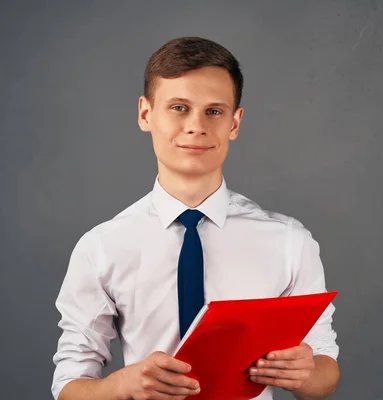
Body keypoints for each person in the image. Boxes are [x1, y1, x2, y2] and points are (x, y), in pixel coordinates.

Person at [51, 37, 340, 400]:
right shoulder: (102, 248)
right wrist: (121, 384)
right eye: (178, 107)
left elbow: (324, 371)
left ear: (235, 123)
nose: (196, 126)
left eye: (214, 111)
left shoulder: (288, 241)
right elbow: (68, 386)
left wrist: (306, 372)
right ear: (145, 114)